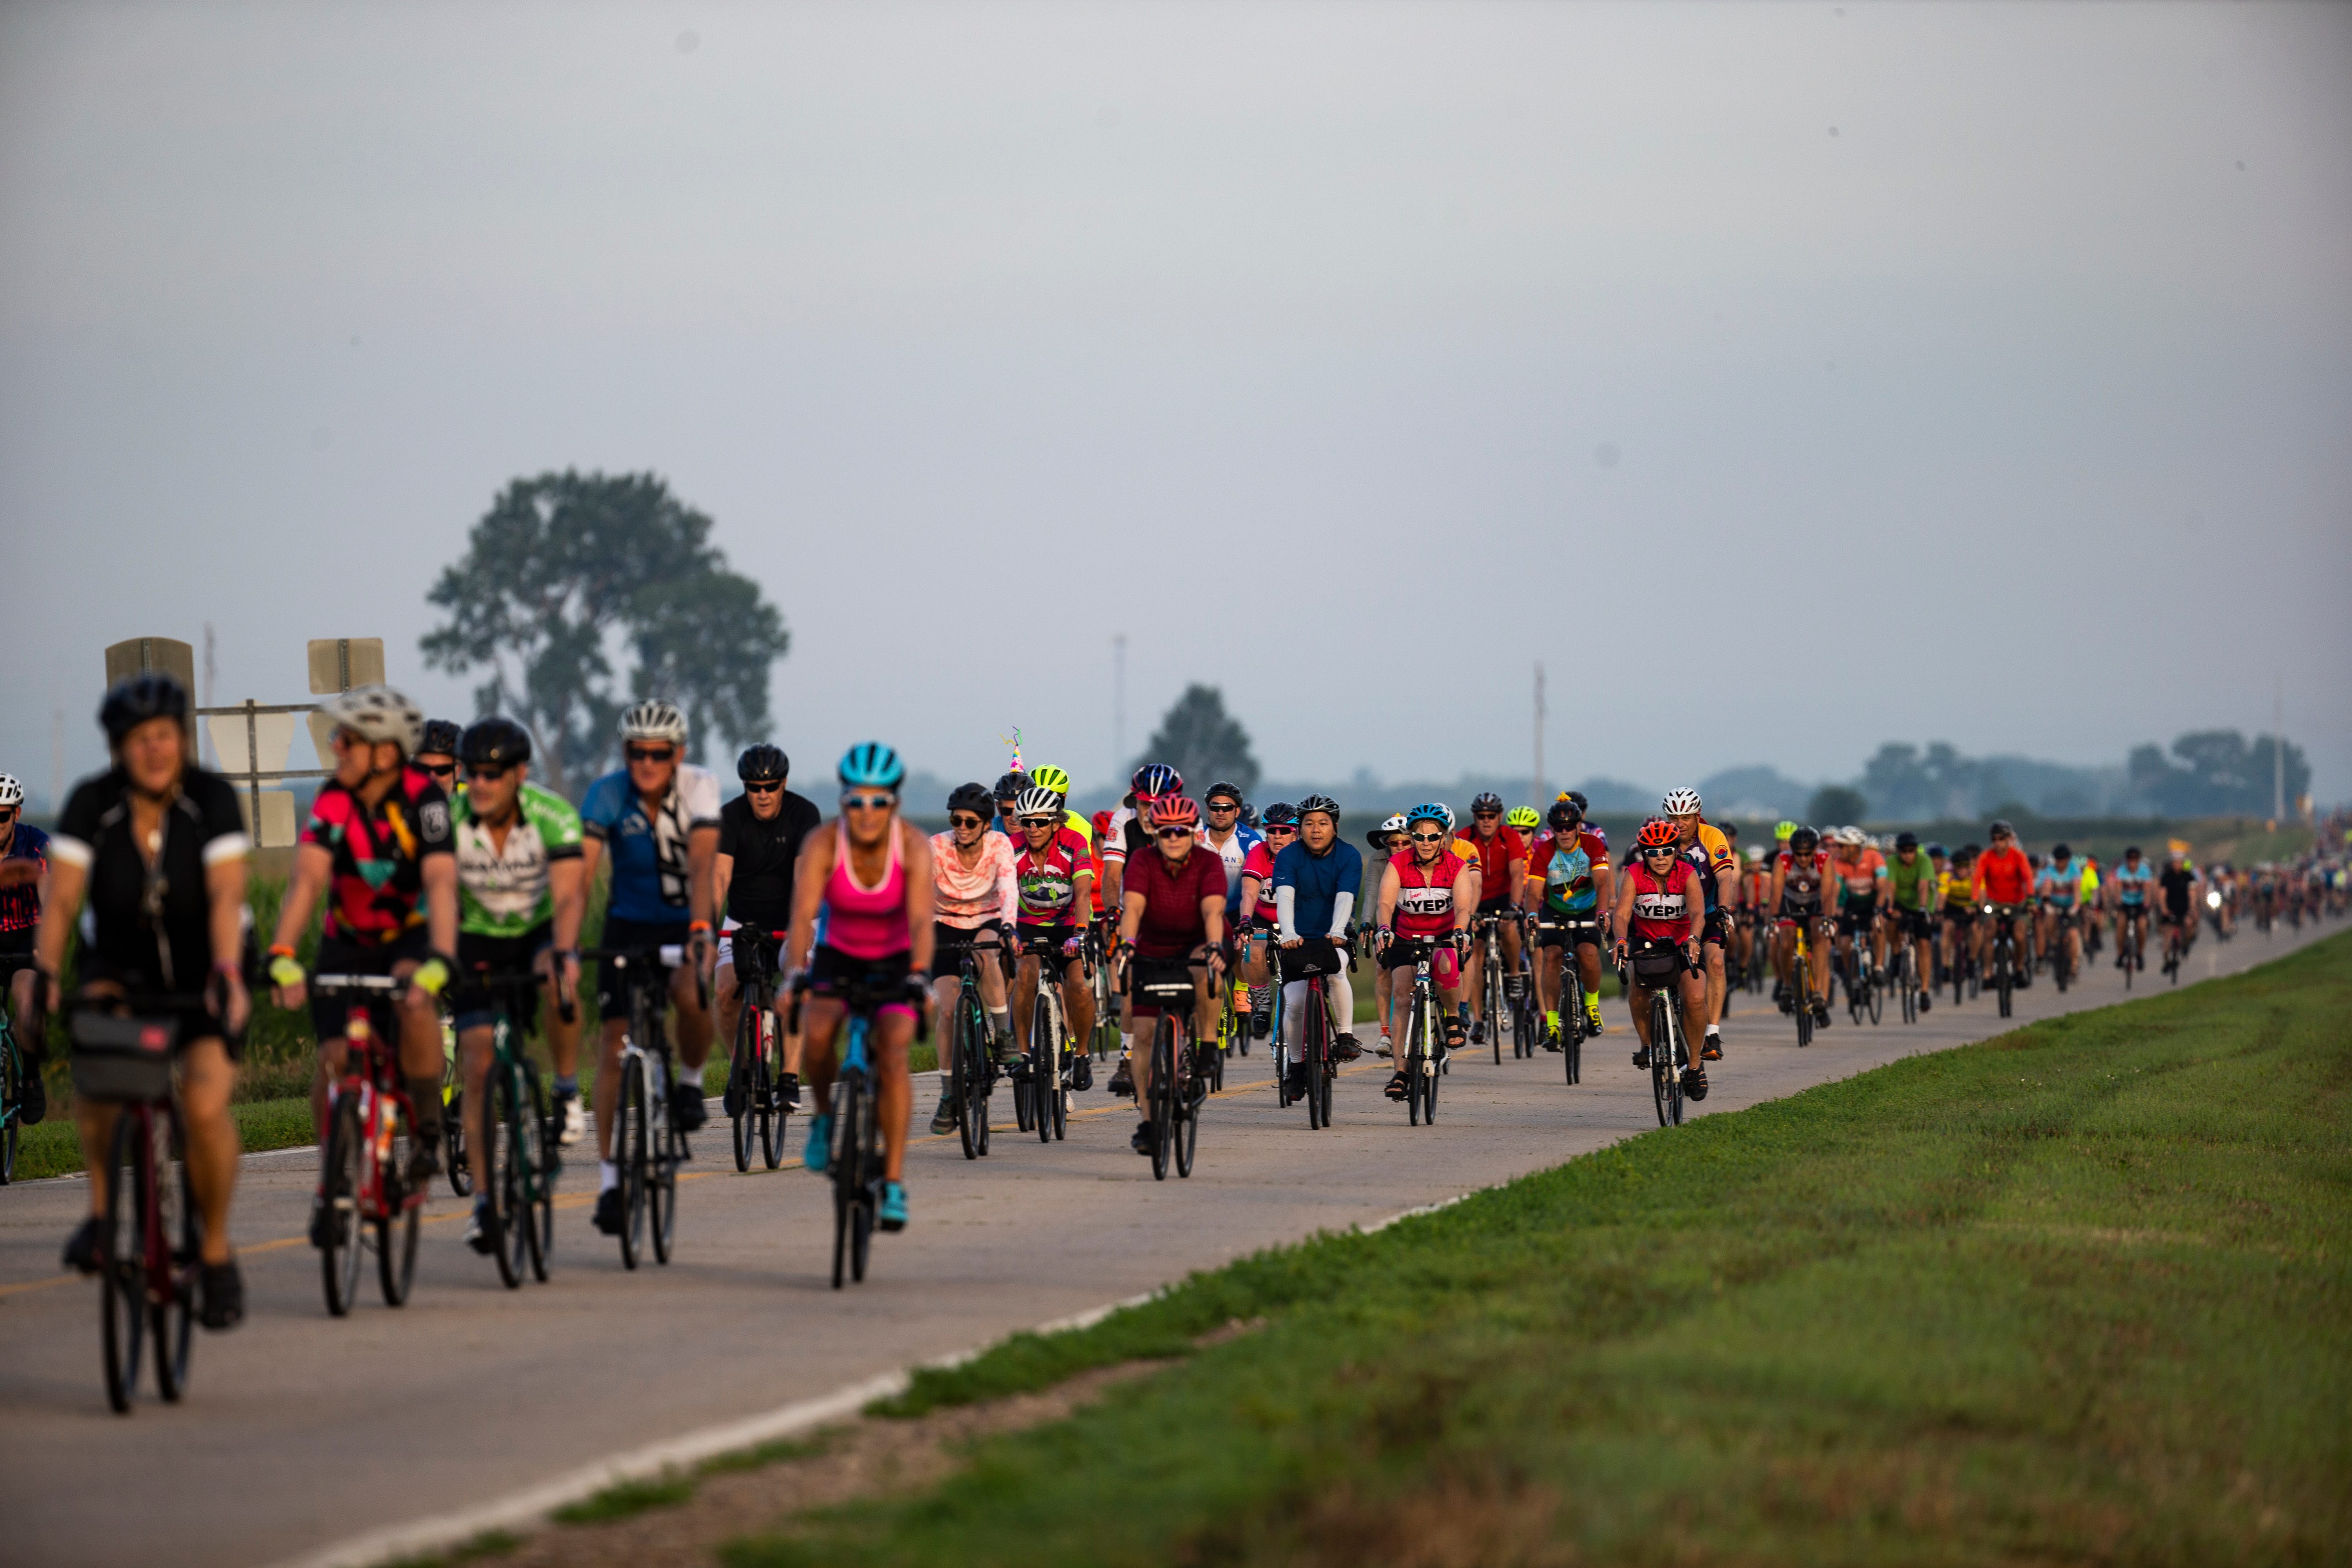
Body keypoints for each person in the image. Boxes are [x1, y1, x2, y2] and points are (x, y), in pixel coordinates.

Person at [40, 675, 253, 1328]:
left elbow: (223, 897)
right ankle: (103, 1218)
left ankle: (214, 1254)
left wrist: (225, 972)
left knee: (204, 1105)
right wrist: (45, 970)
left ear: (183, 739)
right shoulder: (91, 805)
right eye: (139, 739)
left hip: (206, 964)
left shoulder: (211, 801)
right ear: (118, 749)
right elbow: (65, 899)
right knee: (101, 1078)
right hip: (122, 968)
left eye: (165, 735)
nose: (155, 750)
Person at [262, 684, 458, 1247]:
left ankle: (424, 1131)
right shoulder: (333, 798)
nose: (336, 747)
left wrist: (441, 960)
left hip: (410, 938)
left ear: (386, 750)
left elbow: (443, 884)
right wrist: (280, 954)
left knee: (416, 1007)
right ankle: (334, 1179)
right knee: (331, 1061)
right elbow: (307, 880)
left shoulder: (426, 801)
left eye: (347, 740)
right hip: (345, 940)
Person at [576, 700, 722, 1236]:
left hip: (687, 918)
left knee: (690, 991)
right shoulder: (607, 793)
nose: (646, 763)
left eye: (658, 754)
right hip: (628, 924)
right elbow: (583, 873)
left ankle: (689, 1081)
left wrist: (702, 931)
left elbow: (704, 864)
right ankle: (612, 1181)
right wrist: (566, 945)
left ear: (678, 754)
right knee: (614, 1045)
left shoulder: (699, 787)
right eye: (636, 752)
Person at [445, 717, 587, 1252]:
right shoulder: (448, 821)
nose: (478, 784)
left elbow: (571, 897)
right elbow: (434, 892)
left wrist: (565, 951)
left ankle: (567, 1089)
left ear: (519, 774)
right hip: (476, 938)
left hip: (537, 933)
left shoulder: (553, 817)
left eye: (491, 775)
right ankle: (484, 1203)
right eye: (471, 773)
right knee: (478, 1066)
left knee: (559, 982)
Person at [784, 743, 935, 1231]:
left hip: (894, 959)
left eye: (877, 801)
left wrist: (918, 974)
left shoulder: (910, 845)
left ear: (894, 803)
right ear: (843, 801)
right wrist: (794, 974)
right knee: (818, 1029)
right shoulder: (825, 844)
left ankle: (893, 1182)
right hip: (838, 953)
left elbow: (920, 920)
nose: (866, 812)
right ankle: (825, 1117)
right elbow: (802, 920)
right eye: (855, 800)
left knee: (892, 1052)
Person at [1112, 795, 1226, 1159]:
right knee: (1144, 1034)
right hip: (1153, 945)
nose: (1173, 838)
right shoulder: (1143, 860)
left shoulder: (1208, 862)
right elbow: (1133, 907)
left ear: (1193, 832)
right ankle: (1148, 1122)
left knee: (1205, 969)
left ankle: (1207, 1044)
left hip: (1196, 941)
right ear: (1154, 832)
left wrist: (1214, 946)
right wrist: (1127, 944)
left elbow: (1213, 910)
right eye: (1165, 832)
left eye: (1180, 831)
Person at [712, 744, 823, 1119]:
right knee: (726, 992)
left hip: (793, 916)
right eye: (754, 787)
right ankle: (740, 1070)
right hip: (743, 919)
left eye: (771, 786)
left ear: (783, 784)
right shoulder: (729, 816)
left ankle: (789, 1077)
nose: (762, 794)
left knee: (794, 993)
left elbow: (804, 879)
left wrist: (802, 926)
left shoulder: (803, 813)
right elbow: (720, 876)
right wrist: (707, 925)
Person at [925, 781, 1019, 1133]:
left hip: (986, 918)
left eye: (970, 822)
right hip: (944, 923)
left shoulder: (999, 845)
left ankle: (1002, 1035)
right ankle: (949, 1093)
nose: (961, 829)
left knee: (987, 955)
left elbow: (1009, 889)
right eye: (956, 821)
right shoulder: (936, 847)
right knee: (948, 1010)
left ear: (985, 824)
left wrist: (1008, 927)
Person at [1373, 803, 1476, 1098]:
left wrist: (1459, 931)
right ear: (1412, 837)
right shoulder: (1399, 864)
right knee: (1402, 996)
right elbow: (1385, 903)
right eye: (1419, 837)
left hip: (1444, 936)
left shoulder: (1456, 866)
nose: (1426, 843)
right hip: (1407, 937)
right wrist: (1384, 928)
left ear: (1444, 837)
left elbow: (1464, 906)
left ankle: (1454, 1017)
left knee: (1446, 965)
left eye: (1433, 837)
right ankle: (1401, 1073)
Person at [1271, 794, 1364, 1097]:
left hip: (1331, 936)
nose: (1316, 830)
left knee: (1337, 971)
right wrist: (1287, 933)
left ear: (1334, 827)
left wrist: (1338, 931)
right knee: (1296, 1003)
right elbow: (1284, 896)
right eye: (1309, 824)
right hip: (1296, 937)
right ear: (1300, 829)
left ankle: (1347, 1035)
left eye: (1323, 823)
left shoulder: (1349, 856)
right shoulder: (1289, 856)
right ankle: (1297, 1068)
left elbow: (1345, 898)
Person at [1007, 784, 1098, 1092]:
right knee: (1025, 975)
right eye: (1026, 821)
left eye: (1041, 821)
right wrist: (1008, 932)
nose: (1033, 828)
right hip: (1029, 923)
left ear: (1056, 822)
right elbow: (1004, 893)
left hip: (1071, 924)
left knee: (1080, 987)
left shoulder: (1074, 843)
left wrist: (1081, 934)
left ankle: (1082, 1054)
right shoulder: (1013, 846)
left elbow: (1083, 892)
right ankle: (1022, 1053)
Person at [1613, 817, 1709, 1099]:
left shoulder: (1687, 873)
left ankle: (1694, 1064)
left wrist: (1694, 938)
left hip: (1682, 943)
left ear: (1675, 850)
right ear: (1643, 854)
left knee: (1694, 998)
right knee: (1638, 989)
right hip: (1646, 942)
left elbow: (1698, 914)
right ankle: (1647, 1045)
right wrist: (1620, 940)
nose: (1660, 858)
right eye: (1652, 852)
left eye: (1666, 850)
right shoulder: (1633, 874)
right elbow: (1621, 914)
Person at [1523, 795, 1613, 1044]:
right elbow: (1533, 891)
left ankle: (1592, 1007)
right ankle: (1552, 1025)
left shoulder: (1593, 845)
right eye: (1558, 828)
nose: (1564, 832)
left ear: (1578, 826)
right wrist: (1531, 914)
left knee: (1587, 952)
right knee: (1551, 956)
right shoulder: (1544, 851)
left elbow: (1603, 883)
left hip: (1587, 909)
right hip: (1554, 910)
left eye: (1569, 827)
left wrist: (1603, 912)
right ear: (1552, 830)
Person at [1662, 787, 1739, 1061]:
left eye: (1685, 817)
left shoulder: (1712, 836)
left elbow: (1725, 878)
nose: (1679, 824)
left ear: (1698, 816)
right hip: (1671, 918)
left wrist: (1723, 909)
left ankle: (1713, 1033)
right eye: (1674, 817)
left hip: (1706, 914)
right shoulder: (1662, 839)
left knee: (1716, 962)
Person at [1456, 792, 1529, 1047]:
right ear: (1474, 817)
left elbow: (1518, 874)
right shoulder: (1464, 838)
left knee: (1509, 928)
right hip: (1475, 898)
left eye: (1491, 816)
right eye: (1481, 816)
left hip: (1502, 896)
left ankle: (1514, 975)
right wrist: (1468, 913)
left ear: (1500, 817)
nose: (1486, 821)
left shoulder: (1509, 836)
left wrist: (1514, 906)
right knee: (1474, 951)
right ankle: (1478, 1019)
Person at [0, 772, 50, 1122]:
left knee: (28, 1001)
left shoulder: (35, 844)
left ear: (16, 814)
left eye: (2, 815)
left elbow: (48, 891)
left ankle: (30, 1078)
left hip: (26, 940)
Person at [1238, 803, 1297, 1041]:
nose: (1277, 836)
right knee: (1251, 951)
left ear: (1296, 832)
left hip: (1298, 918)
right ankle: (1263, 1004)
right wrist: (1245, 920)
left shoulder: (1304, 854)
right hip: (1265, 917)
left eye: (1284, 831)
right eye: (1272, 831)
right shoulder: (1259, 853)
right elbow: (1250, 893)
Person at [1769, 825, 1835, 1019]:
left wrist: (1827, 920)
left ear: (1815, 851)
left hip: (1815, 905)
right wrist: (1773, 919)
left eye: (1808, 854)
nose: (1803, 859)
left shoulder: (1824, 860)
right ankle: (1788, 985)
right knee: (1787, 941)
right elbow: (1775, 894)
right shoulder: (1783, 860)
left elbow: (1828, 895)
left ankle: (1818, 993)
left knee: (1818, 935)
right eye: (1799, 854)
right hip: (1791, 905)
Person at [1971, 821, 2038, 984]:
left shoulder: (2018, 856)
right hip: (1994, 903)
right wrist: (1974, 902)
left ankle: (2020, 968)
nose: (1998, 843)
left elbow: (2027, 878)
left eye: (2001, 839)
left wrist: (2030, 898)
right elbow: (1977, 879)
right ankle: (1988, 973)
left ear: (2009, 839)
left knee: (2019, 935)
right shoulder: (1986, 857)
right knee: (1989, 932)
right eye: (1995, 840)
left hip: (2017, 902)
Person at [1828, 825, 1887, 997]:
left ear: (1853, 847)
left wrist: (1878, 909)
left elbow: (1883, 886)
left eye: (1842, 846)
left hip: (1873, 901)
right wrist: (1831, 915)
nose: (1838, 850)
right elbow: (1835, 891)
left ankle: (1878, 968)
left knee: (1878, 926)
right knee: (1846, 943)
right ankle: (1852, 977)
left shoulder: (1874, 857)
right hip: (1853, 904)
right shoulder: (1839, 863)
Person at [1885, 831, 1936, 1013]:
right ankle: (1897, 955)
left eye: (1911, 851)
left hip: (1921, 905)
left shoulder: (1924, 861)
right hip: (1900, 903)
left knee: (1923, 943)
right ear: (1898, 851)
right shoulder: (1892, 862)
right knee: (1890, 923)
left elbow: (1923, 886)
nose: (1908, 855)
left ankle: (1924, 992)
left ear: (1916, 850)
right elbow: (1890, 886)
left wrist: (1923, 909)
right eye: (1904, 851)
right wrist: (1889, 908)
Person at [2036, 841, 2087, 976]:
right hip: (2056, 904)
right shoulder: (2050, 871)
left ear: (2068, 860)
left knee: (2073, 935)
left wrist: (2076, 907)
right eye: (2058, 861)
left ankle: (2074, 965)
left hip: (2071, 905)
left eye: (2063, 860)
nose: (2060, 864)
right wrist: (2047, 905)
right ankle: (2053, 944)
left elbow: (2077, 891)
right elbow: (2046, 889)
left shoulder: (2074, 870)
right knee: (2049, 921)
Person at [2109, 844, 2153, 969]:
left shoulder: (2145, 871)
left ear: (2139, 860)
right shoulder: (2121, 871)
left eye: (2135, 860)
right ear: (2127, 860)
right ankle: (2120, 954)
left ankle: (2140, 954)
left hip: (2140, 904)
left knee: (2142, 927)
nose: (2132, 863)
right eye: (2130, 860)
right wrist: (2118, 903)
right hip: (2125, 903)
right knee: (2121, 925)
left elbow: (2147, 891)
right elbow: (2118, 889)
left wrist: (2146, 905)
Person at [413, 719, 462, 792]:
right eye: (423, 769)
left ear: (458, 771)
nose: (432, 778)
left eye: (442, 770)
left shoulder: (473, 801)